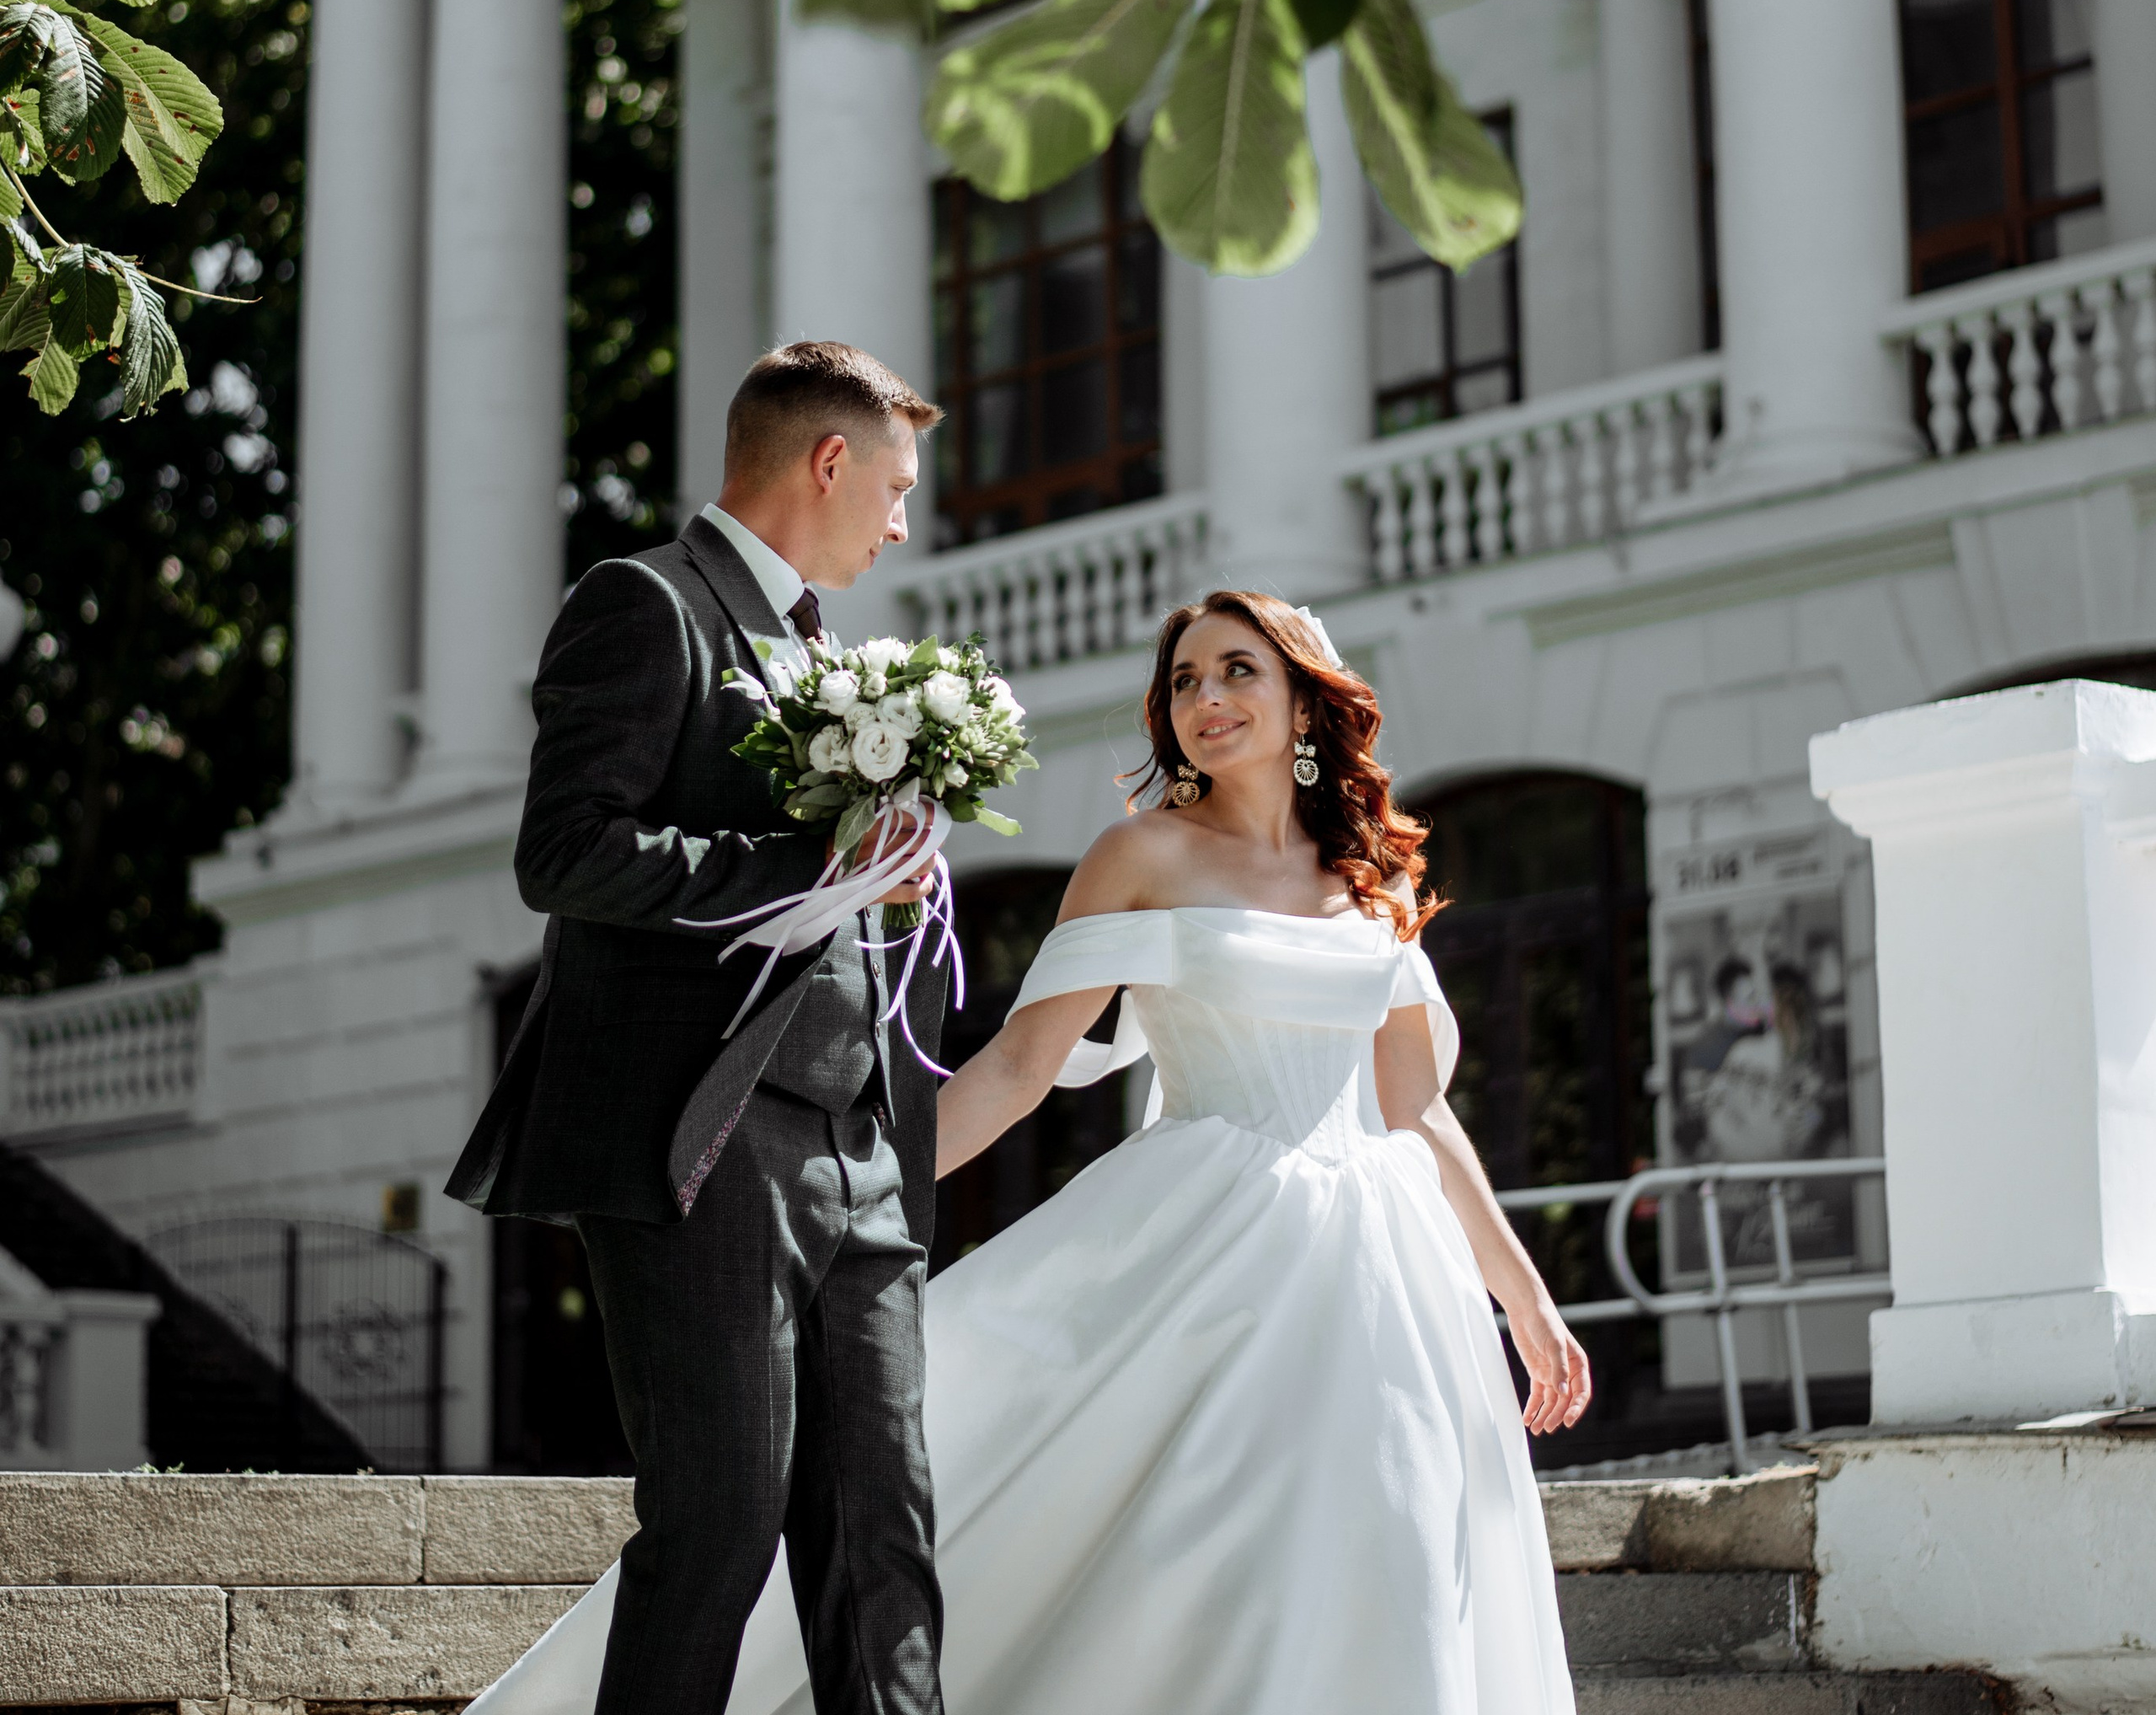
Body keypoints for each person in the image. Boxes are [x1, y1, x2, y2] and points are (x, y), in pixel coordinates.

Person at [470, 588, 1589, 1715]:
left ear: (1308, 702)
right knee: (1219, 1543)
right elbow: (1016, 1067)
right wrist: (850, 1207)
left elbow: (1417, 1109)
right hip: (1216, 1251)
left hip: (1388, 1274)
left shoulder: (1373, 879)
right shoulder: (1140, 853)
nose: (1206, 698)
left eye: (1240, 671)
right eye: (1186, 682)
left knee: (1393, 1544)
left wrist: (1524, 1297)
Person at [445, 340, 950, 1715]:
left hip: (861, 1156)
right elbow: (565, 854)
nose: (903, 521)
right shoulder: (646, 605)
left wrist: (883, 866)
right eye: (894, 487)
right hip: (705, 1135)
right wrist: (815, 871)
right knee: (721, 1529)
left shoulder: (828, 649)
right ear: (828, 462)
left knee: (885, 1547)